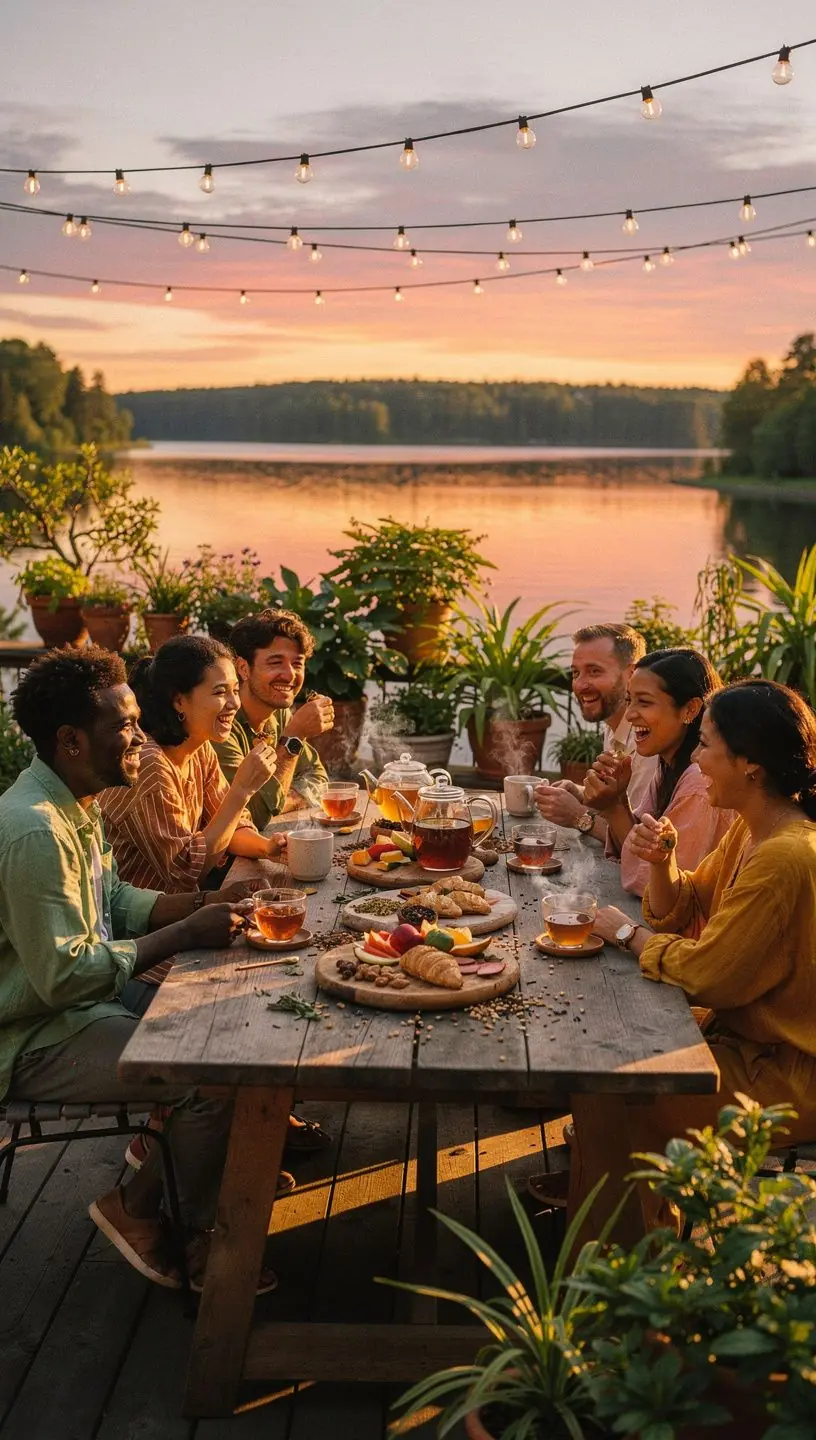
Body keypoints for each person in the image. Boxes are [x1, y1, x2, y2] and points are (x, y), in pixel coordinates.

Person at [0, 647, 264, 1290]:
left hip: (86, 1007)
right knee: (214, 1076)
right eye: (123, 725)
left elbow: (115, 900)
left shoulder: (75, 798)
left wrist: (206, 903)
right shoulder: (34, 830)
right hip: (36, 1035)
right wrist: (182, 932)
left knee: (242, 1018)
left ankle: (214, 1173)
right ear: (69, 740)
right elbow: (63, 979)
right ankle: (151, 1212)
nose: (139, 737)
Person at [591, 678, 816, 1219]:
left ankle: (625, 1255)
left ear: (750, 765)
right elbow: (688, 900)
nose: (696, 758)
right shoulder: (752, 829)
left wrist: (626, 934)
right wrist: (664, 861)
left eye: (706, 744)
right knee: (601, 1050)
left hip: (784, 1078)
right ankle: (608, 1208)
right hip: (742, 1044)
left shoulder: (786, 856)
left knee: (612, 1083)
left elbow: (711, 975)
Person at [99, 635, 285, 997]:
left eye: (235, 689)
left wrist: (270, 847)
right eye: (219, 692)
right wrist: (243, 788)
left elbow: (229, 825)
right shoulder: (150, 766)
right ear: (179, 700)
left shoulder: (198, 749)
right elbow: (186, 869)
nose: (233, 703)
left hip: (186, 922)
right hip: (143, 951)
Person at [582, 648, 736, 896]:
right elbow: (641, 840)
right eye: (629, 700)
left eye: (644, 702)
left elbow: (663, 888)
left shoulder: (700, 783)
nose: (630, 715)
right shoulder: (671, 764)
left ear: (690, 710)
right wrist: (618, 797)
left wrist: (611, 809)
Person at [213, 609, 333, 831]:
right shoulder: (221, 723)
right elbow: (252, 817)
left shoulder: (277, 712)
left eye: (297, 664)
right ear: (242, 668)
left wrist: (283, 801)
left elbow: (318, 778)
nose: (289, 675)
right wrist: (294, 737)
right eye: (275, 662)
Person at [534, 624, 657, 842]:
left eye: (594, 671)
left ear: (632, 674)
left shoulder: (649, 743)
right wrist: (580, 793)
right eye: (575, 672)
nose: (580, 685)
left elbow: (640, 842)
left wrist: (578, 816)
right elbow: (620, 808)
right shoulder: (614, 728)